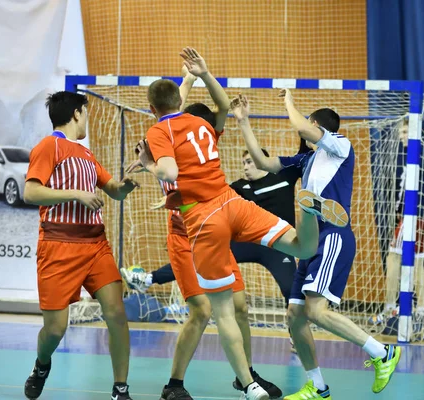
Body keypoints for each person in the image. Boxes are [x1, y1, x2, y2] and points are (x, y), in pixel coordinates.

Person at [135, 47, 346, 400]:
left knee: (228, 310)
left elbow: (168, 161)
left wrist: (147, 165)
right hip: (229, 204)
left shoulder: (160, 133)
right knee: (301, 247)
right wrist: (201, 74)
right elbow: (214, 107)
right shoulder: (201, 125)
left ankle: (247, 383)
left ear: (153, 109)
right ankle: (308, 208)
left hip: (202, 219)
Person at [123, 51, 281, 400]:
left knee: (239, 307)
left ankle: (246, 377)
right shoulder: (163, 140)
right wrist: (191, 79)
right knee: (202, 310)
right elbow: (171, 116)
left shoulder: (201, 136)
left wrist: (196, 76)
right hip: (184, 234)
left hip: (213, 230)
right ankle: (174, 384)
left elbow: (193, 108)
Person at [231, 89, 401, 398]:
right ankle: (318, 388)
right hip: (309, 242)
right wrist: (243, 122)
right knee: (295, 317)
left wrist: (288, 103)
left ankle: (382, 352)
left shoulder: (340, 146)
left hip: (334, 236)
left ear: (318, 127)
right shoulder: (305, 160)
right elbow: (263, 162)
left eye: (310, 125)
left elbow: (304, 129)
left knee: (316, 311)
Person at [23, 91, 138, 400]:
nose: (87, 118)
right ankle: (42, 364)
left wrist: (125, 184)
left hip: (95, 244)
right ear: (76, 114)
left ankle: (120, 388)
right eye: (86, 113)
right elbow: (31, 192)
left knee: (116, 312)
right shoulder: (49, 146)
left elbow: (112, 190)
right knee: (56, 329)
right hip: (59, 245)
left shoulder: (86, 154)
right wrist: (75, 194)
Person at [132, 148, 299, 308]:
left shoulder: (283, 178)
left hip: (277, 246)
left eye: (249, 162)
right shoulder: (239, 187)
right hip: (246, 242)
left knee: (292, 293)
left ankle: (294, 333)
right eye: (243, 163)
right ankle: (148, 279)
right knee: (198, 256)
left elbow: (304, 153)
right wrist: (155, 171)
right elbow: (204, 190)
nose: (246, 167)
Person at [369, 120, 424, 327]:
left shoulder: (418, 156)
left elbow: (413, 189)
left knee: (394, 258)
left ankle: (390, 307)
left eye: (405, 131)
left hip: (415, 216)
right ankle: (422, 309)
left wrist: (405, 212)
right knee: (417, 263)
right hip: (422, 217)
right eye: (400, 132)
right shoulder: (415, 156)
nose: (401, 136)